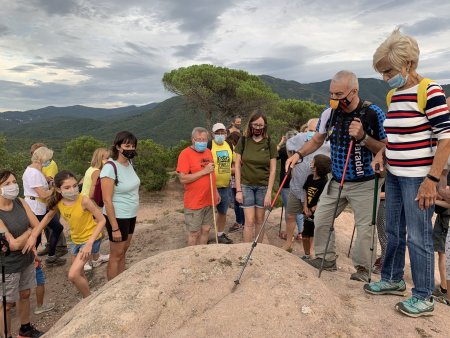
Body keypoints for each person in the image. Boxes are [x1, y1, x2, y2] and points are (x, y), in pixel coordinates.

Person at [364, 28, 450, 318]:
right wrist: (381, 154)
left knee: (419, 235)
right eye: (382, 72)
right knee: (392, 230)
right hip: (395, 175)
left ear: (408, 64)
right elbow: (395, 136)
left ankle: (424, 296)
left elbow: (446, 137)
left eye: (388, 71)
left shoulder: (430, 91)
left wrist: (432, 180)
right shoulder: (393, 95)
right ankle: (392, 278)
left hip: (418, 178)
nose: (385, 77)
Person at [286, 70, 387, 282]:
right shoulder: (329, 114)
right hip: (337, 179)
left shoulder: (372, 113)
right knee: (321, 218)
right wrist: (298, 154)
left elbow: (386, 148)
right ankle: (325, 259)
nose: (334, 99)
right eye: (331, 94)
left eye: (339, 94)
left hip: (366, 181)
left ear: (354, 91)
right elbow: (317, 140)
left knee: (365, 228)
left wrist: (362, 137)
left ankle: (362, 269)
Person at [23, 171, 106, 298]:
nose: (72, 190)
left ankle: (88, 299)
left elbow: (102, 220)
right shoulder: (59, 202)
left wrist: (89, 243)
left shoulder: (84, 200)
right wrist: (34, 235)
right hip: (75, 240)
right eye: (67, 187)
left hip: (90, 240)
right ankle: (88, 295)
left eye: (74, 186)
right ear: (58, 189)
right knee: (79, 272)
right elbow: (47, 217)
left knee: (72, 274)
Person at [0, 170, 43, 337]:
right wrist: (29, 233)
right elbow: (14, 245)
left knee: (25, 293)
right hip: (7, 265)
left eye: (14, 182)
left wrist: (32, 232)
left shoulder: (20, 202)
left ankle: (25, 329)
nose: (13, 186)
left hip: (26, 259)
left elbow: (38, 224)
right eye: (7, 184)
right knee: (6, 303)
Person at [282, 118, 330, 251]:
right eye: (310, 131)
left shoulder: (328, 143)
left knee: (315, 221)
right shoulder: (299, 138)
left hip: (317, 190)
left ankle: (312, 250)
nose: (312, 134)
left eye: (315, 131)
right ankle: (288, 243)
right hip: (297, 186)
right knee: (290, 215)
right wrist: (292, 158)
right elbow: (288, 145)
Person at [100, 131, 140, 280]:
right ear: (118, 146)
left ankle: (121, 282)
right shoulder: (110, 167)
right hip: (118, 216)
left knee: (123, 251)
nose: (131, 149)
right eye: (127, 145)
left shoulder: (129, 163)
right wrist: (115, 227)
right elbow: (107, 200)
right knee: (116, 254)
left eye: (133, 146)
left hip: (131, 214)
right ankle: (111, 289)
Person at [235, 111, 277, 243]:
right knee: (249, 221)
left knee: (260, 220)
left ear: (265, 126)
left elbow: (273, 169)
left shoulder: (270, 142)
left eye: (261, 125)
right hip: (246, 185)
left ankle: (258, 250)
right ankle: (247, 248)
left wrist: (269, 192)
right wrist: (238, 190)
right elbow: (236, 166)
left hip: (263, 187)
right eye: (255, 124)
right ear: (250, 124)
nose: (258, 128)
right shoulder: (243, 141)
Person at [22, 146, 66, 266]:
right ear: (42, 158)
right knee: (36, 235)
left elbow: (43, 182)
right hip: (36, 208)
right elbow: (42, 194)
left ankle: (50, 256)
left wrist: (50, 182)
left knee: (56, 228)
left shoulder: (35, 170)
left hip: (40, 207)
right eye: (48, 159)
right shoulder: (34, 173)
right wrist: (56, 189)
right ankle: (29, 261)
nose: (49, 161)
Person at [177, 127, 220, 246]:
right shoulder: (185, 154)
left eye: (204, 139)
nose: (202, 142)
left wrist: (215, 191)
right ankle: (192, 258)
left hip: (209, 199)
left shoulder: (208, 151)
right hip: (194, 202)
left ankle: (202, 254)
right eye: (199, 139)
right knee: (194, 233)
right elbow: (183, 178)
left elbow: (211, 173)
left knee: (206, 229)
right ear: (193, 140)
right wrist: (203, 171)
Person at [81, 148, 110, 271]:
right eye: (105, 158)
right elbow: (93, 192)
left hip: (83, 201)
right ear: (100, 159)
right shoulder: (97, 171)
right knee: (94, 232)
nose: (108, 160)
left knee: (92, 231)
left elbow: (82, 183)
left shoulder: (90, 169)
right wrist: (98, 205)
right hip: (90, 203)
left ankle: (95, 257)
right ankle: (89, 260)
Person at [301, 154, 332, 259]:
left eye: (313, 161)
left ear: (317, 166)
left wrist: (314, 208)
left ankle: (313, 255)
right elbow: (306, 192)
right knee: (305, 235)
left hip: (318, 213)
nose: (311, 163)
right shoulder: (310, 177)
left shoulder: (324, 182)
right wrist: (305, 206)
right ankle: (306, 254)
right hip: (307, 211)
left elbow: (324, 198)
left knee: (314, 234)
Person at [208, 123, 233, 244]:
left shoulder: (229, 145)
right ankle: (205, 235)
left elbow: (232, 163)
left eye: (222, 132)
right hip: (210, 186)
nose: (220, 135)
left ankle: (220, 234)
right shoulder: (209, 145)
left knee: (222, 212)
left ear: (226, 134)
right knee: (208, 212)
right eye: (217, 133)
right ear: (213, 134)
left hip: (225, 186)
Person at [276, 130, 298, 242]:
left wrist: (281, 143)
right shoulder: (301, 151)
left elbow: (273, 155)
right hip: (298, 182)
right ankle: (301, 232)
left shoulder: (284, 150)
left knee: (289, 209)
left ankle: (289, 233)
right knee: (297, 208)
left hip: (285, 182)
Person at [227, 132, 245, 233]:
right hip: (234, 180)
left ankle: (241, 223)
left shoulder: (240, 152)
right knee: (237, 203)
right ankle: (240, 222)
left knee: (240, 203)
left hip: (240, 180)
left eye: (232, 142)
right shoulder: (234, 151)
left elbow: (240, 166)